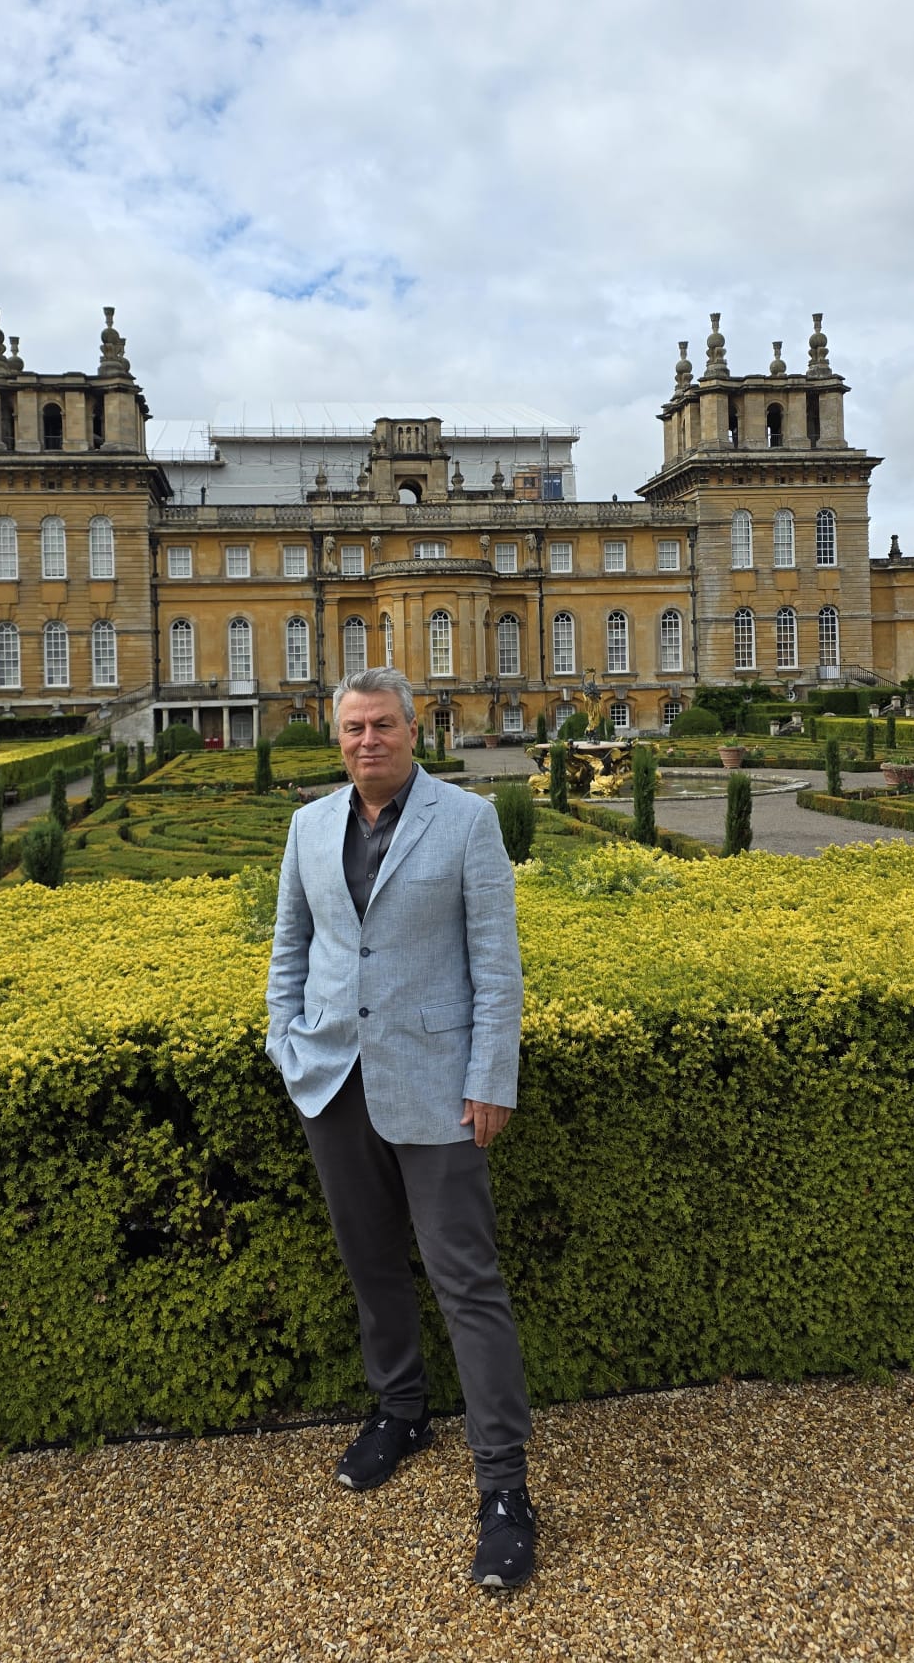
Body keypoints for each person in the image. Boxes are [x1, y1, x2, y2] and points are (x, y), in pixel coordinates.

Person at [265, 667, 535, 1589]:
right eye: (351, 728)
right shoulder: (307, 827)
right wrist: (286, 1045)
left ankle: (503, 1486)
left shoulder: (465, 822)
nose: (366, 740)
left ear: (414, 731)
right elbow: (291, 948)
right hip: (333, 1080)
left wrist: (490, 1077)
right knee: (369, 1261)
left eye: (382, 725)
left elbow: (497, 967)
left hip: (438, 1089)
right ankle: (401, 1410)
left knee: (468, 1281)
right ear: (334, 737)